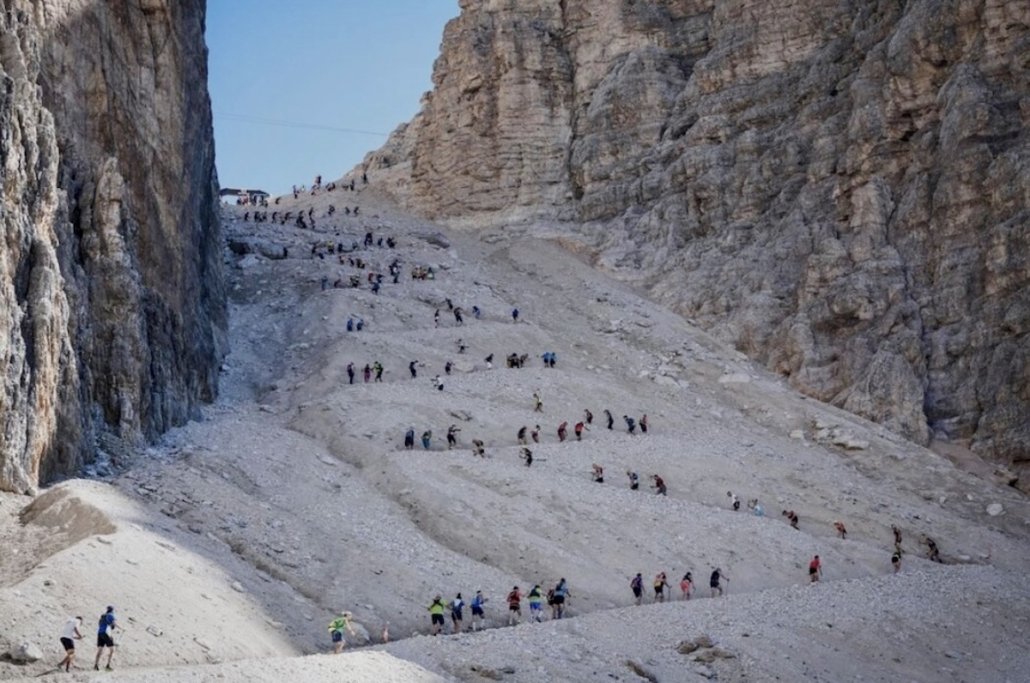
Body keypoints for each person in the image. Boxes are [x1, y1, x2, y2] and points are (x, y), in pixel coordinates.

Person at [94, 606, 117, 671]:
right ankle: (108, 665)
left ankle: (96, 665)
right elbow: (114, 624)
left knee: (100, 650)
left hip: (100, 633)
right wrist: (122, 628)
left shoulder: (102, 616)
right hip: (106, 633)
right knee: (112, 649)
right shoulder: (111, 615)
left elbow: (99, 624)